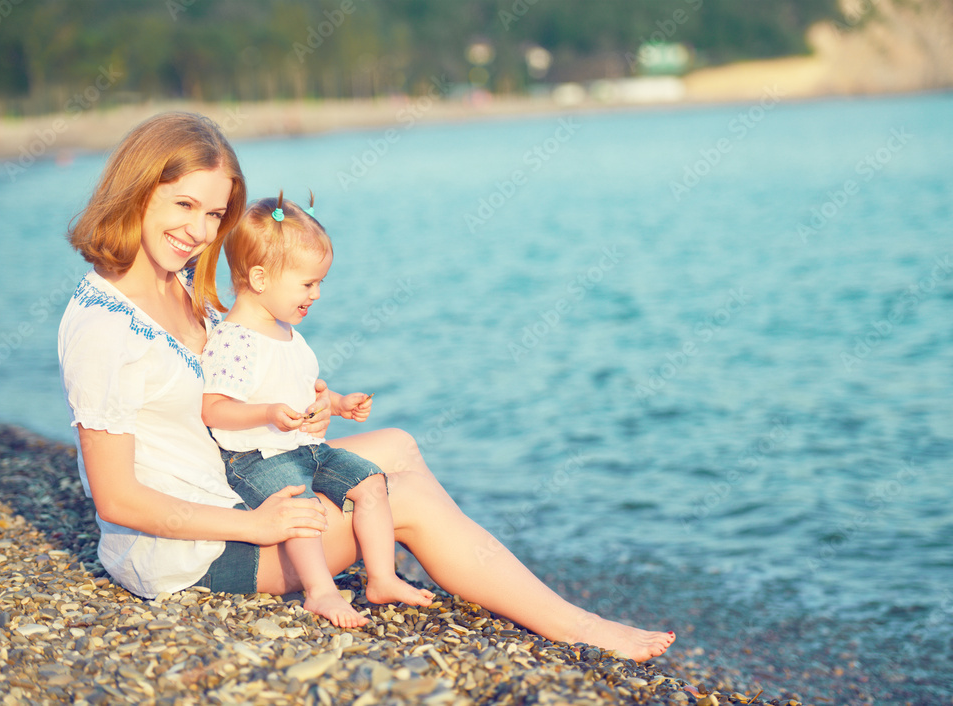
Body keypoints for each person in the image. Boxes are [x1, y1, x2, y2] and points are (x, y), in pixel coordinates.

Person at [58, 111, 675, 662]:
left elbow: (222, 396)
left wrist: (295, 409)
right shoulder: (104, 325)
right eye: (183, 205)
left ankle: (441, 575)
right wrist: (261, 526)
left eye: (214, 212)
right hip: (191, 549)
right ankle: (576, 625)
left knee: (399, 445)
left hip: (232, 485)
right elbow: (116, 500)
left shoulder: (184, 288)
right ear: (139, 192)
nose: (198, 230)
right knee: (401, 498)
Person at [200, 192, 434, 628]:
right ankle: (320, 592)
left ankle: (381, 577)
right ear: (260, 278)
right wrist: (266, 413)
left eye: (320, 282)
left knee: (370, 482)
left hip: (305, 446)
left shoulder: (287, 331)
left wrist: (339, 404)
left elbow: (304, 389)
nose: (318, 294)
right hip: (254, 458)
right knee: (303, 509)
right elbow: (213, 410)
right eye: (308, 284)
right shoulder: (236, 340)